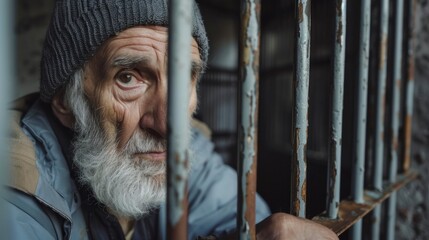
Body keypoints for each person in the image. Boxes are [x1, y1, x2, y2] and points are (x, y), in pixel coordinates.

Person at [4, 0, 338, 239]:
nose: (169, 126)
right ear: (65, 100)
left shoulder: (181, 154)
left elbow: (233, 219)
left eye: (182, 78)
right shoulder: (14, 196)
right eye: (128, 78)